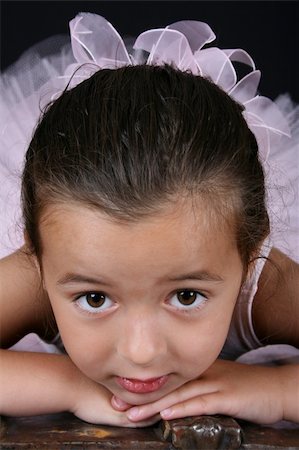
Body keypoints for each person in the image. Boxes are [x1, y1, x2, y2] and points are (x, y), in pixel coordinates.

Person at [0, 13, 298, 427]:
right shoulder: (52, 264)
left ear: (249, 258)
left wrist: (278, 390)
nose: (141, 351)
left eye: (187, 296)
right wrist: (67, 383)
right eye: (95, 298)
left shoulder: (266, 288)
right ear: (37, 259)